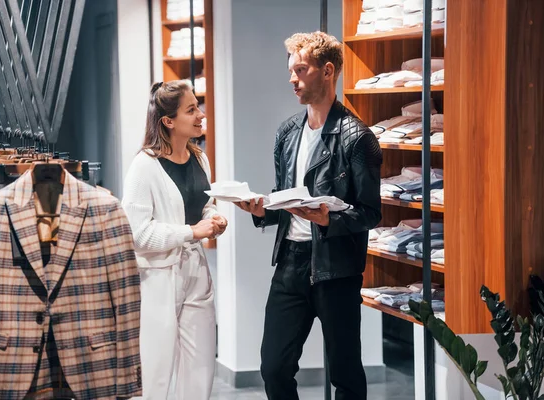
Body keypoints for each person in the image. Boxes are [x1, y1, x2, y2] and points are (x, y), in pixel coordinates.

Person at [234, 32, 382, 400]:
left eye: (301, 69)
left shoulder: (356, 138)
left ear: (327, 71)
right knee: (273, 367)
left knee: (345, 374)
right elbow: (286, 197)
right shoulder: (287, 133)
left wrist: (328, 219)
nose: (292, 79)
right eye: (291, 70)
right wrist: (262, 210)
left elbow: (371, 214)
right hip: (290, 263)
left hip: (336, 269)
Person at [122, 80, 227, 400]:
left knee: (200, 367)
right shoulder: (144, 166)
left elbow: (202, 203)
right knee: (156, 369)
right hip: (157, 279)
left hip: (196, 272)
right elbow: (137, 233)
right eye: (191, 109)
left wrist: (214, 217)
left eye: (199, 107)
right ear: (168, 121)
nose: (200, 115)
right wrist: (191, 232)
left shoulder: (200, 158)